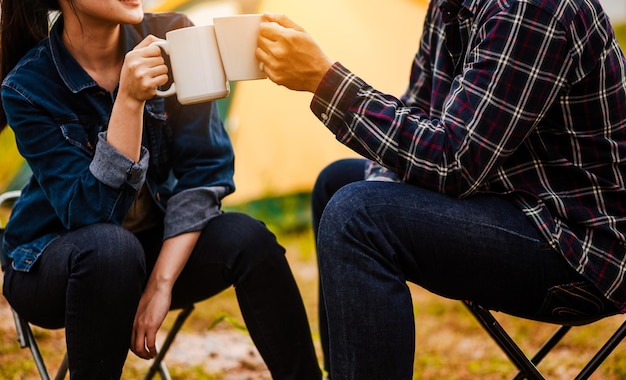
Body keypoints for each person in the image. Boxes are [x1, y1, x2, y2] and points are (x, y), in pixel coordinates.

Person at [256, 0, 626, 377]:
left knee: (357, 215)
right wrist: (387, 192)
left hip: (579, 245)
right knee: (337, 184)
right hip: (511, 197)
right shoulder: (447, 6)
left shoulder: (530, 8)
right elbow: (420, 115)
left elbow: (454, 162)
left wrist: (325, 81)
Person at [0, 1, 322, 379]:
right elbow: (89, 216)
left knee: (249, 238)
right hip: (52, 264)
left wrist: (160, 284)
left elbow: (205, 170)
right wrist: (129, 101)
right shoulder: (28, 86)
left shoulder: (176, 39)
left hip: (147, 253)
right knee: (112, 249)